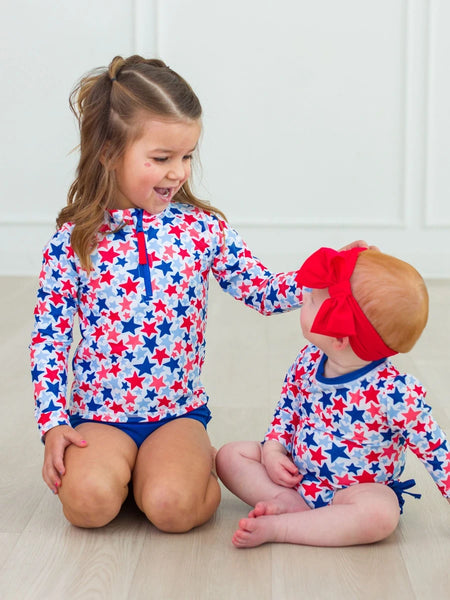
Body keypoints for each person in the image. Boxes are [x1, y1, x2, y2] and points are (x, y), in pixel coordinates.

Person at [30, 54, 323, 532]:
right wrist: (52, 422)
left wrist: (324, 275)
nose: (179, 172)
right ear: (108, 152)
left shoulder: (201, 229)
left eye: (187, 156)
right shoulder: (74, 242)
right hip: (98, 415)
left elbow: (261, 290)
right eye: (162, 159)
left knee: (173, 509)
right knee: (87, 505)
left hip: (175, 413)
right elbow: (49, 337)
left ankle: (177, 468)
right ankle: (128, 476)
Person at [216, 247, 450, 547]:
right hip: (297, 475)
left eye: (313, 299)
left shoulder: (395, 393)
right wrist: (273, 449)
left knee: (380, 513)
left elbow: (435, 449)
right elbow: (288, 408)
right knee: (229, 456)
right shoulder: (310, 358)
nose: (304, 295)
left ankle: (283, 528)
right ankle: (287, 502)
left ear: (339, 337)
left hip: (353, 493)